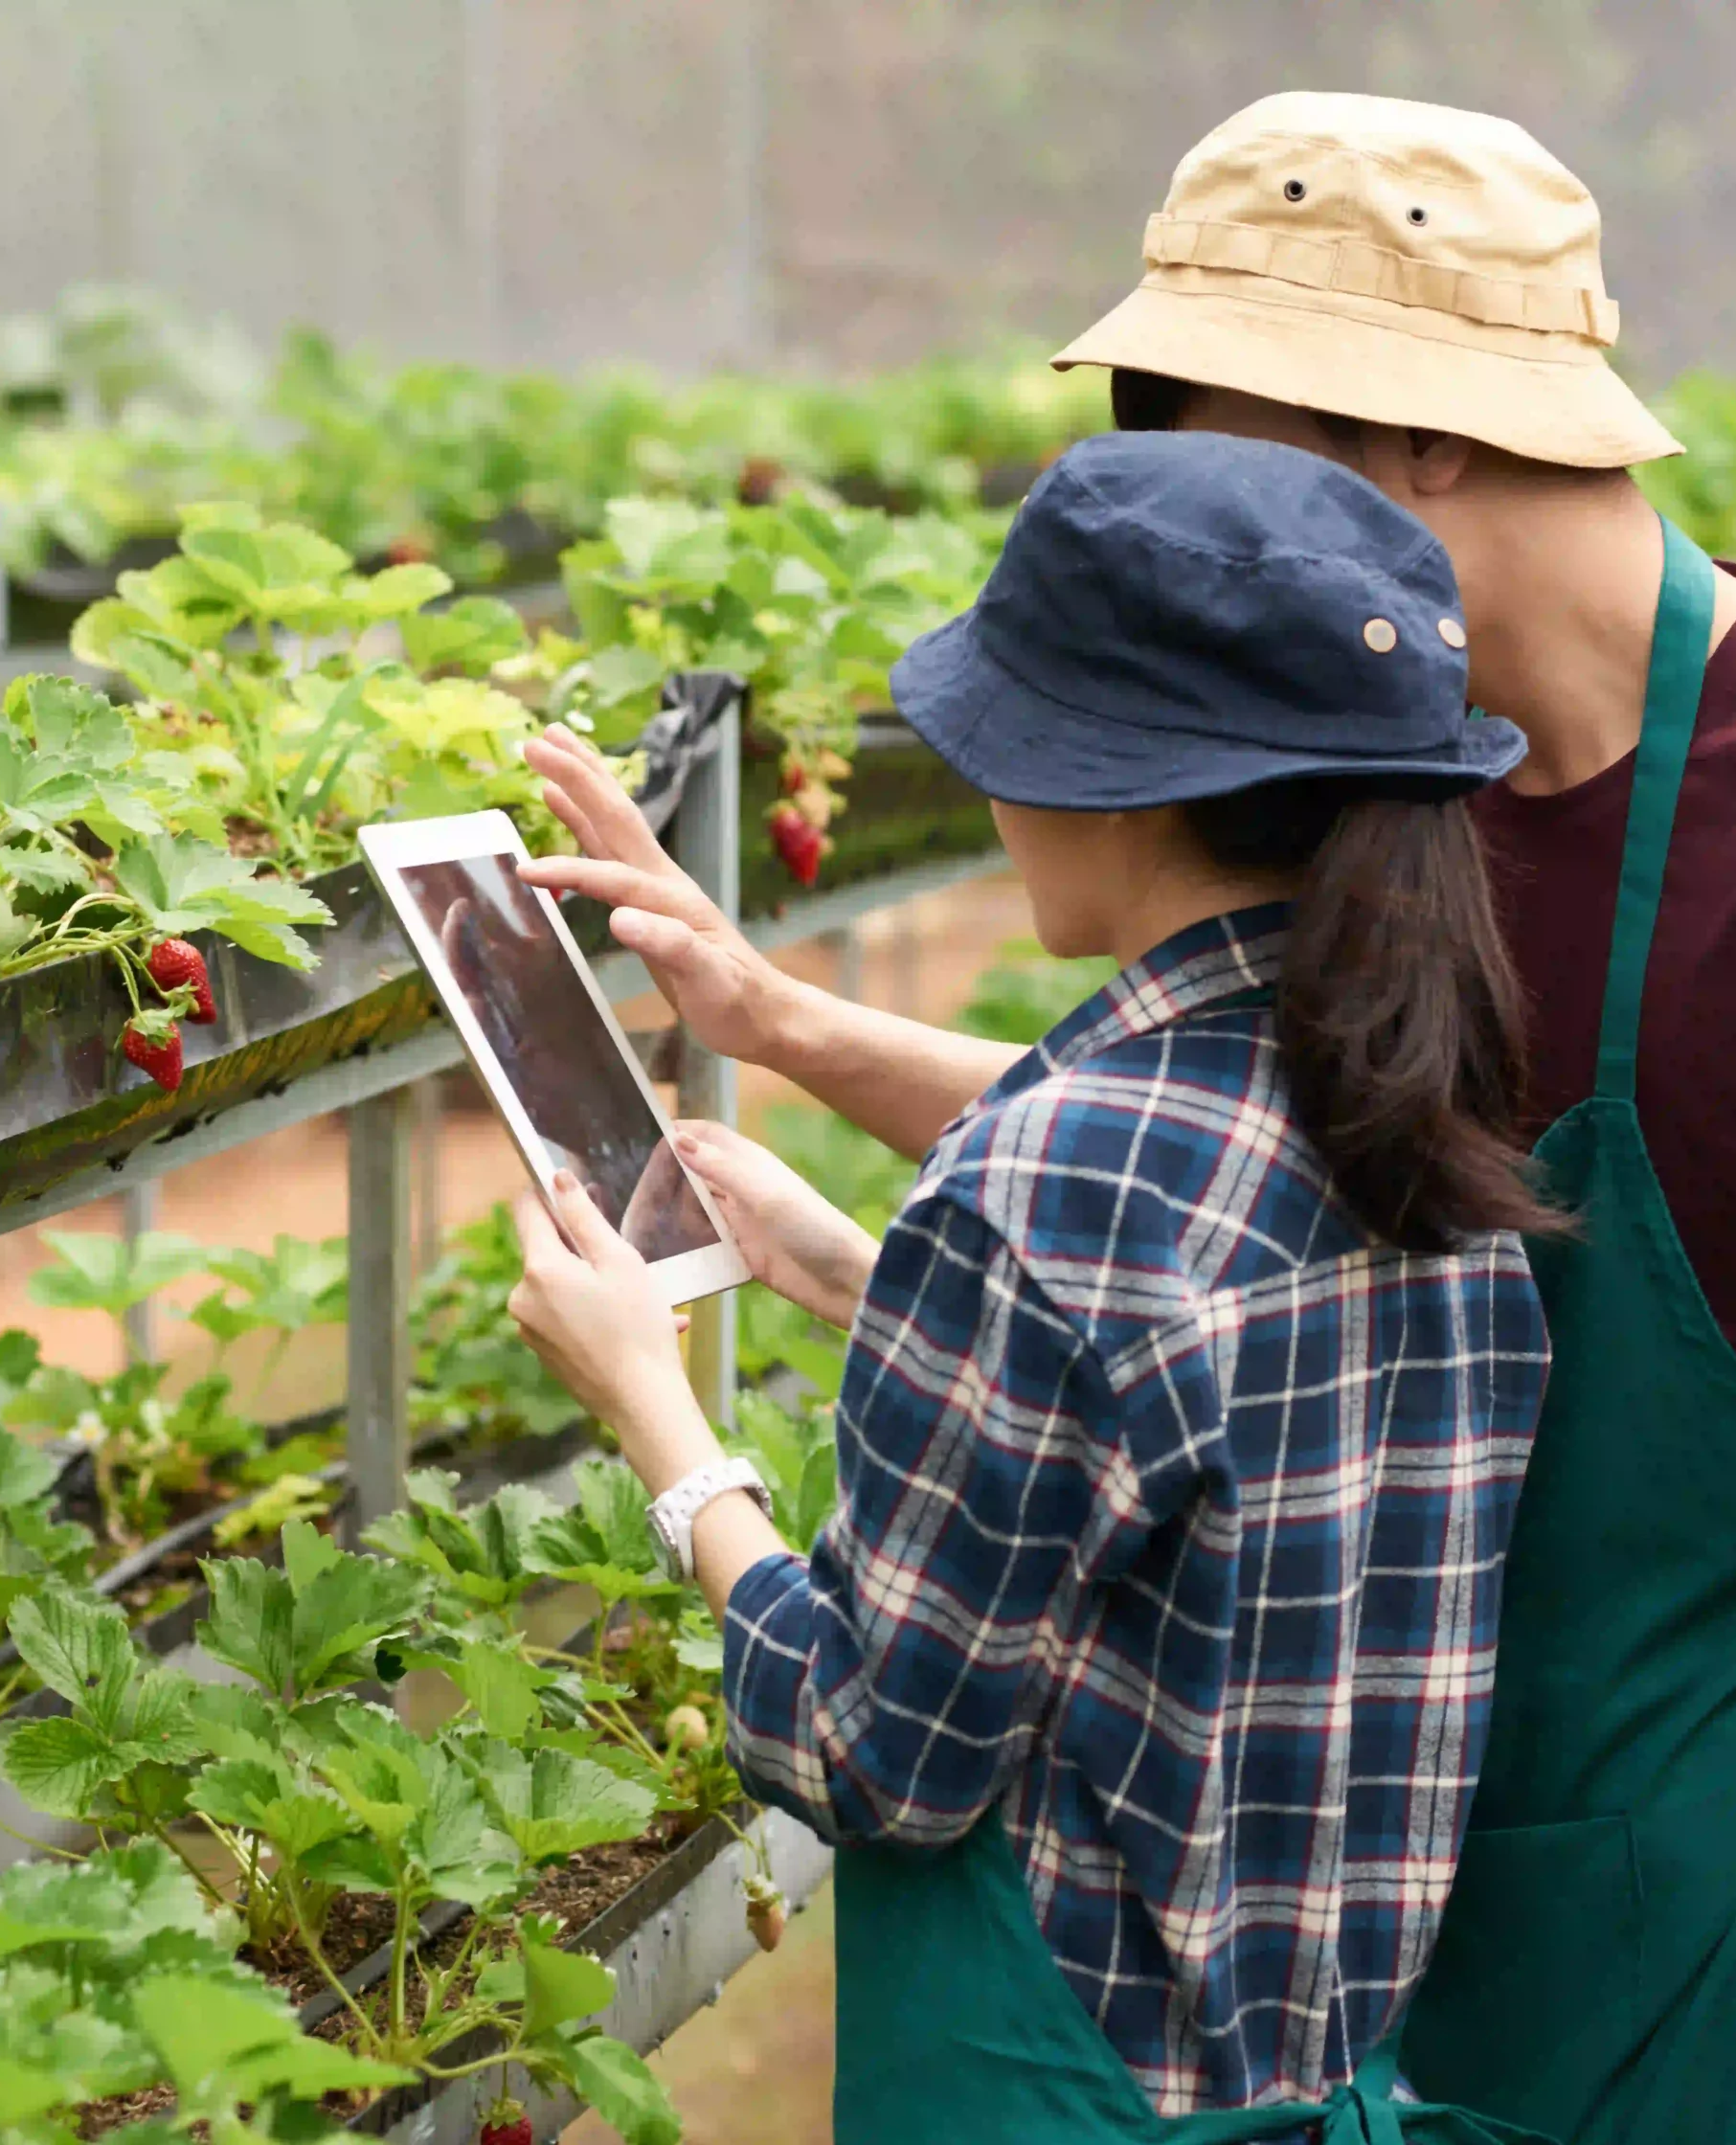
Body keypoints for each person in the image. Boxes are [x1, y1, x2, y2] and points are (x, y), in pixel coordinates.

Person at [1048, 92, 1736, 2145]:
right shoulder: (1402, 784)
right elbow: (1264, 1181)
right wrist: (776, 1030)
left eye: (1226, 472)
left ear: (1424, 438)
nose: (1203, 557)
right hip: (1481, 1893)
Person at [505, 430, 1555, 2143]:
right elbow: (1182, 1438)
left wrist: (659, 1416)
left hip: (1066, 2089)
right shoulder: (1421, 1114)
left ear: (1123, 780)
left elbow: (866, 1752)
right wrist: (860, 1267)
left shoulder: (1053, 1181)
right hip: (1326, 2074)